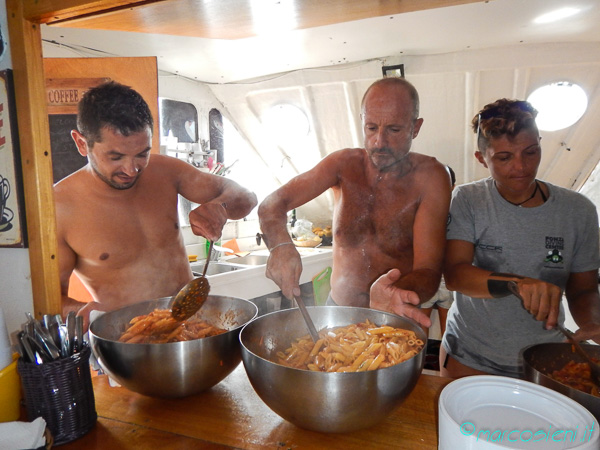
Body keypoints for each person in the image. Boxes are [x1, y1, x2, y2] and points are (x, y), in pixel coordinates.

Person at [54, 81, 257, 328]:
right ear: (81, 143)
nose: (131, 169)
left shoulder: (166, 171)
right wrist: (79, 311)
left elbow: (246, 196)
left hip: (192, 328)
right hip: (128, 341)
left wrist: (220, 208)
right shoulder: (59, 208)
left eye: (142, 154)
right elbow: (48, 300)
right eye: (116, 157)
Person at [258, 77, 452, 328]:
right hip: (337, 312)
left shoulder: (432, 177)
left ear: (415, 127)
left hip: (393, 318)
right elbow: (272, 204)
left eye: (393, 130)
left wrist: (392, 295)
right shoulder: (342, 165)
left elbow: (429, 273)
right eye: (371, 128)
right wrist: (280, 246)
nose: (379, 142)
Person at [440, 98, 600, 378]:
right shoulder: (468, 200)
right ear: (482, 158)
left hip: (545, 360)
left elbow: (583, 290)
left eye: (531, 152)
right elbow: (455, 275)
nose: (521, 167)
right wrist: (517, 284)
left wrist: (594, 322)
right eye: (504, 158)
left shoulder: (578, 211)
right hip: (470, 355)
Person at [419, 166, 456, 337]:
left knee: (448, 329)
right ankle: (418, 361)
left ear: (453, 186)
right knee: (420, 329)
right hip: (427, 279)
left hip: (448, 280)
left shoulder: (460, 211)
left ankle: (444, 362)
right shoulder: (420, 209)